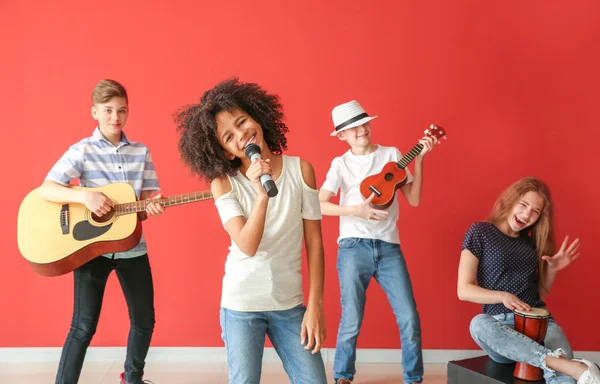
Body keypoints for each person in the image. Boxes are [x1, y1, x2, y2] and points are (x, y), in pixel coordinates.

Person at [175, 78, 327, 384]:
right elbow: (247, 244)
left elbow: (314, 242)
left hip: (290, 304)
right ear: (226, 152)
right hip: (241, 305)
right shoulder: (223, 184)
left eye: (243, 121)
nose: (242, 134)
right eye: (229, 137)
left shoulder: (302, 170)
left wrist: (316, 306)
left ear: (258, 117)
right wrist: (260, 194)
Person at [40, 79, 164, 384]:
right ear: (94, 111)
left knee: (144, 321)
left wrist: (153, 206)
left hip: (132, 247)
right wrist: (85, 196)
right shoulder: (81, 150)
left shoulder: (141, 152)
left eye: (121, 110)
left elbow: (146, 201)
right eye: (108, 110)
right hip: (90, 250)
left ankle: (131, 379)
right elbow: (48, 188)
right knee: (83, 326)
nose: (115, 117)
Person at [319, 100, 436, 384]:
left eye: (363, 123)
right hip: (352, 247)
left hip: (388, 247)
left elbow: (415, 199)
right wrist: (355, 210)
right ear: (342, 136)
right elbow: (320, 204)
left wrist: (420, 160)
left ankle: (413, 378)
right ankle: (343, 377)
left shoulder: (392, 155)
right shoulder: (340, 164)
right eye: (353, 128)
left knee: (409, 316)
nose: (361, 130)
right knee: (352, 318)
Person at [457, 176, 600, 384]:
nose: (527, 215)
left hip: (539, 323)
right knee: (477, 324)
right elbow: (464, 290)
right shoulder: (480, 232)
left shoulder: (531, 243)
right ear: (511, 200)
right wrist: (502, 296)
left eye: (536, 212)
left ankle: (558, 365)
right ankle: (559, 362)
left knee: (566, 380)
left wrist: (552, 271)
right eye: (523, 205)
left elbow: (537, 296)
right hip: (500, 330)